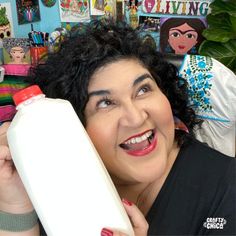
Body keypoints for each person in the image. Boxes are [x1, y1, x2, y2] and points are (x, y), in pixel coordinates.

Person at [0, 21, 235, 236]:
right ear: (72, 126)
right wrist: (16, 206)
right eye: (105, 103)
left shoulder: (226, 190)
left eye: (143, 89)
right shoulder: (56, 184)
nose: (135, 118)